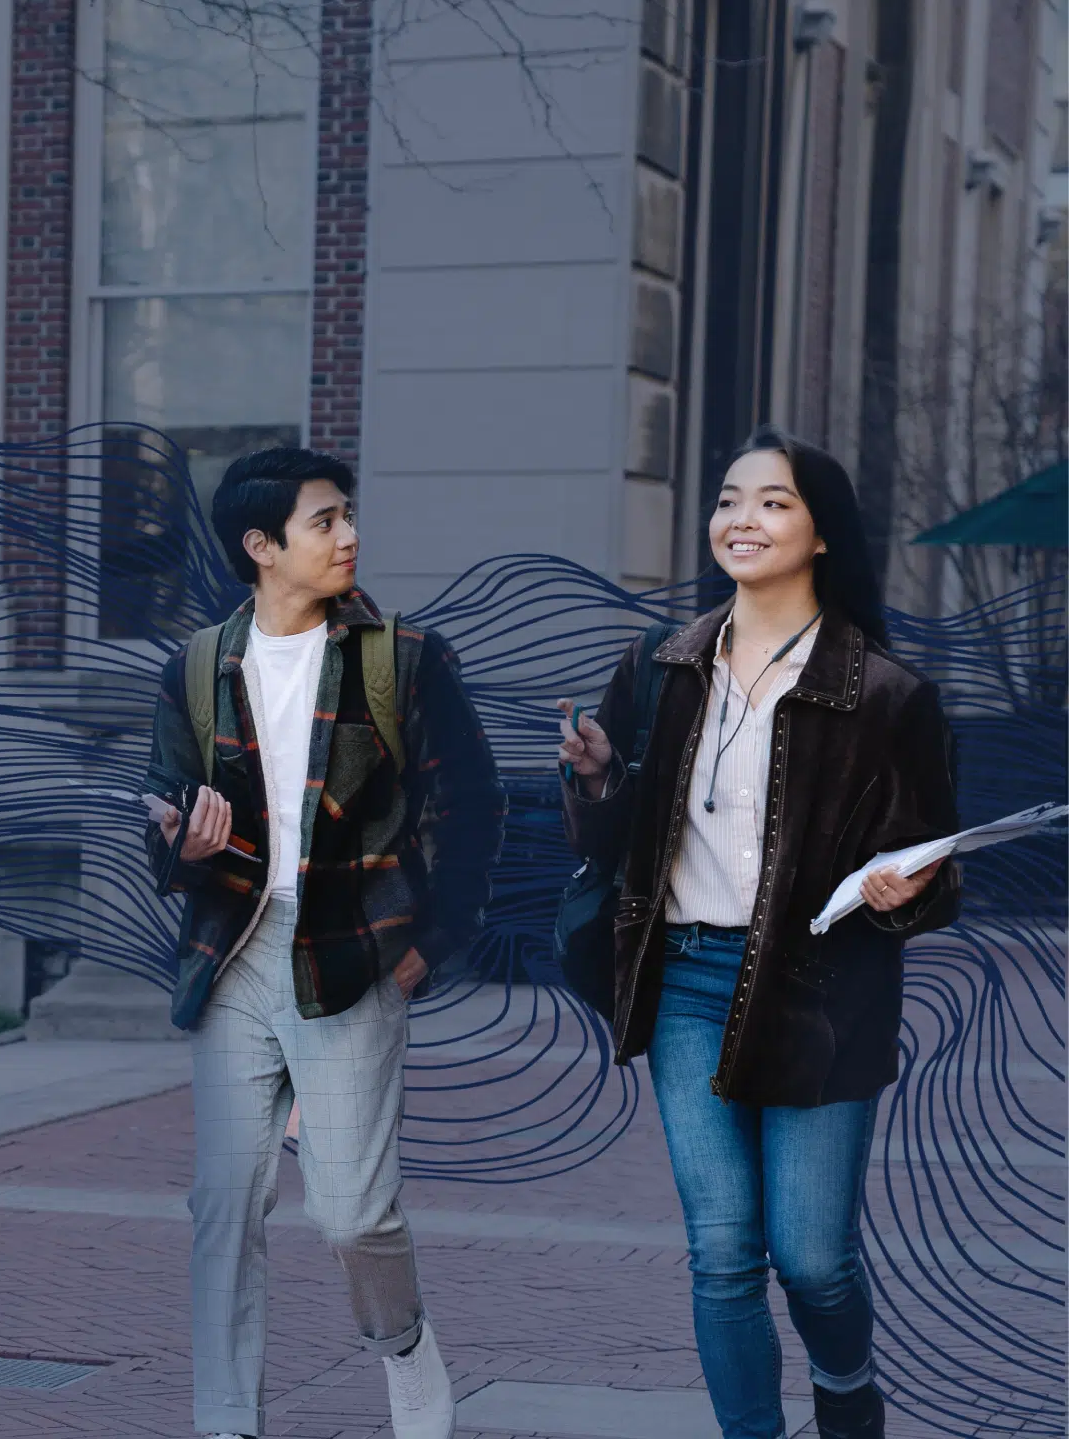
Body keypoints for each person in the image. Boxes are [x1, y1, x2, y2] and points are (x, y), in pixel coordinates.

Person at [556, 426, 960, 1439]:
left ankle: (844, 1389)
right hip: (688, 979)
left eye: (773, 502)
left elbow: (937, 883)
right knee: (725, 1250)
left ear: (821, 532)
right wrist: (599, 778)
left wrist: (899, 892)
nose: (742, 518)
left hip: (825, 990)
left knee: (814, 1257)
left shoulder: (887, 696)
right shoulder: (658, 666)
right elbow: (616, 842)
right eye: (730, 498)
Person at [144, 446, 506, 1439]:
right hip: (234, 953)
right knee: (224, 1208)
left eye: (347, 517)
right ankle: (227, 1424)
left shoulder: (401, 659)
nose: (347, 537)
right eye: (323, 522)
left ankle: (402, 1343)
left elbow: (470, 806)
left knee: (350, 1215)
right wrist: (183, 843)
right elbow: (162, 821)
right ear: (262, 548)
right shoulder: (192, 668)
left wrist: (434, 940)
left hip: (353, 951)